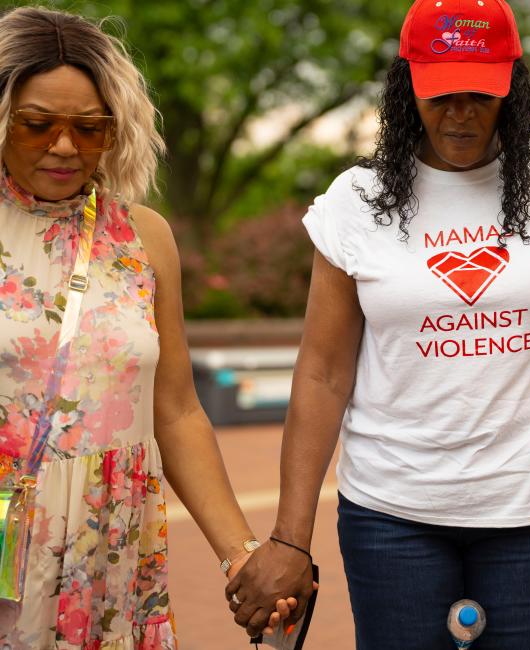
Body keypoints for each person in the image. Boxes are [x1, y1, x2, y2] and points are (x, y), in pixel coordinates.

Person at [226, 0, 530, 646]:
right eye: (440, 94)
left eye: (482, 94)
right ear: (406, 88)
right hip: (391, 515)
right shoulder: (356, 202)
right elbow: (322, 372)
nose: (461, 114)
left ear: (516, 87)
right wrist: (289, 535)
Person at [0, 7, 294, 647]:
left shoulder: (142, 236)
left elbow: (179, 411)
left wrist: (239, 553)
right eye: (35, 124)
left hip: (111, 560)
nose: (63, 146)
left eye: (90, 128)